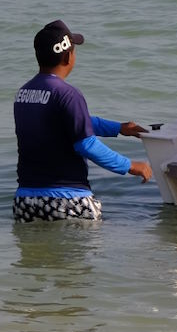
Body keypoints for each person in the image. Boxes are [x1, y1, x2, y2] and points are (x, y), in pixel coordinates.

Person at [13, 20, 152, 222]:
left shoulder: (24, 94)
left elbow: (67, 123)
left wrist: (119, 128)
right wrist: (130, 165)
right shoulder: (68, 95)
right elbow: (86, 144)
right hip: (68, 201)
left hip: (25, 202)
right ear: (68, 56)